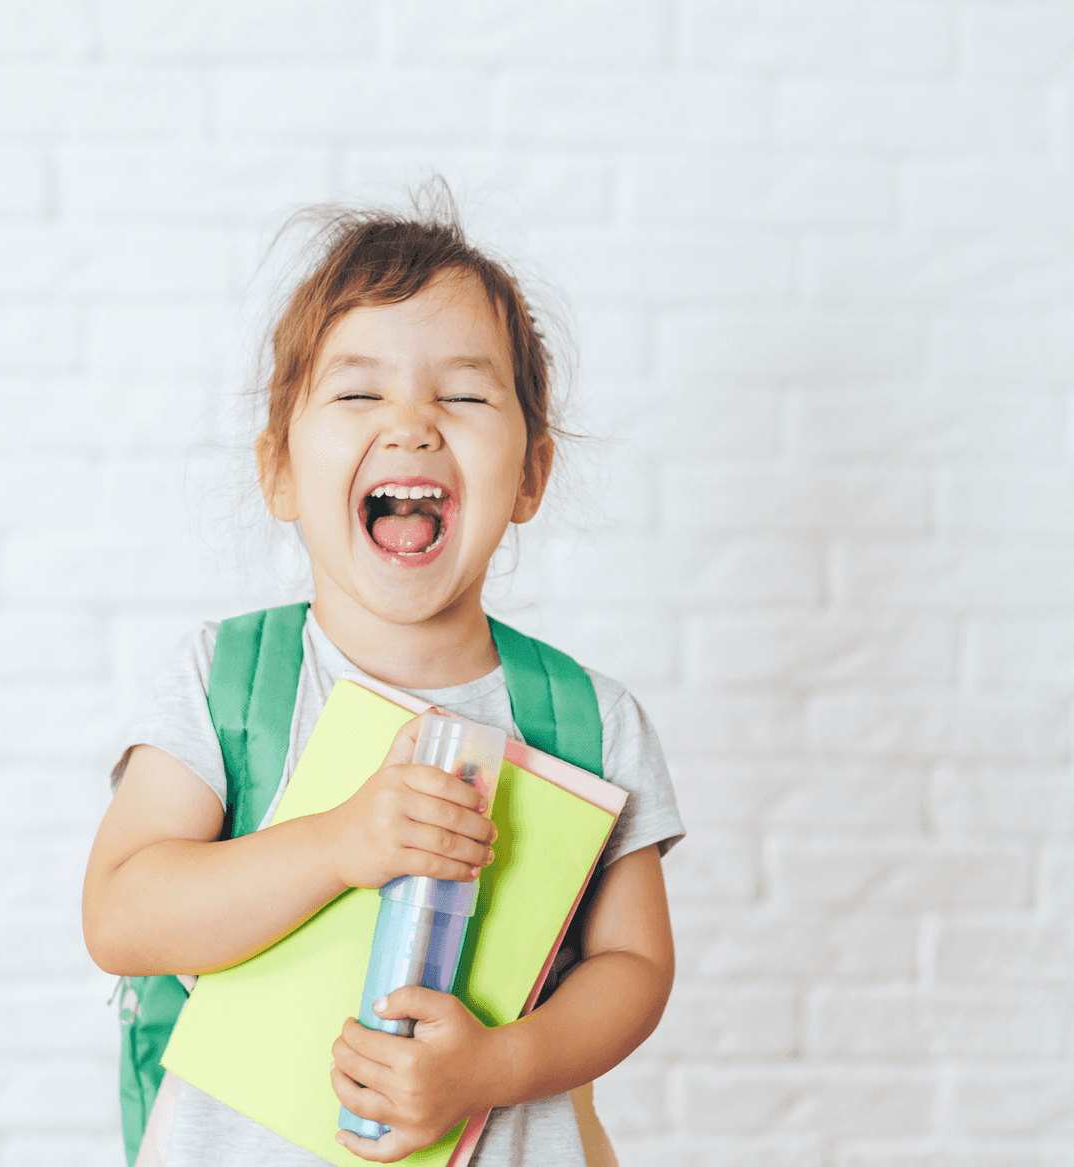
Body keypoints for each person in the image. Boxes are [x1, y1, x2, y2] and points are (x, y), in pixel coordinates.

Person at [83, 192, 684, 1167]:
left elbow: (634, 967)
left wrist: (494, 1065)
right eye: (358, 395)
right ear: (278, 469)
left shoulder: (590, 722)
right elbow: (120, 915)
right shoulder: (225, 683)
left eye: (463, 395)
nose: (410, 424)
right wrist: (336, 842)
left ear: (529, 474)